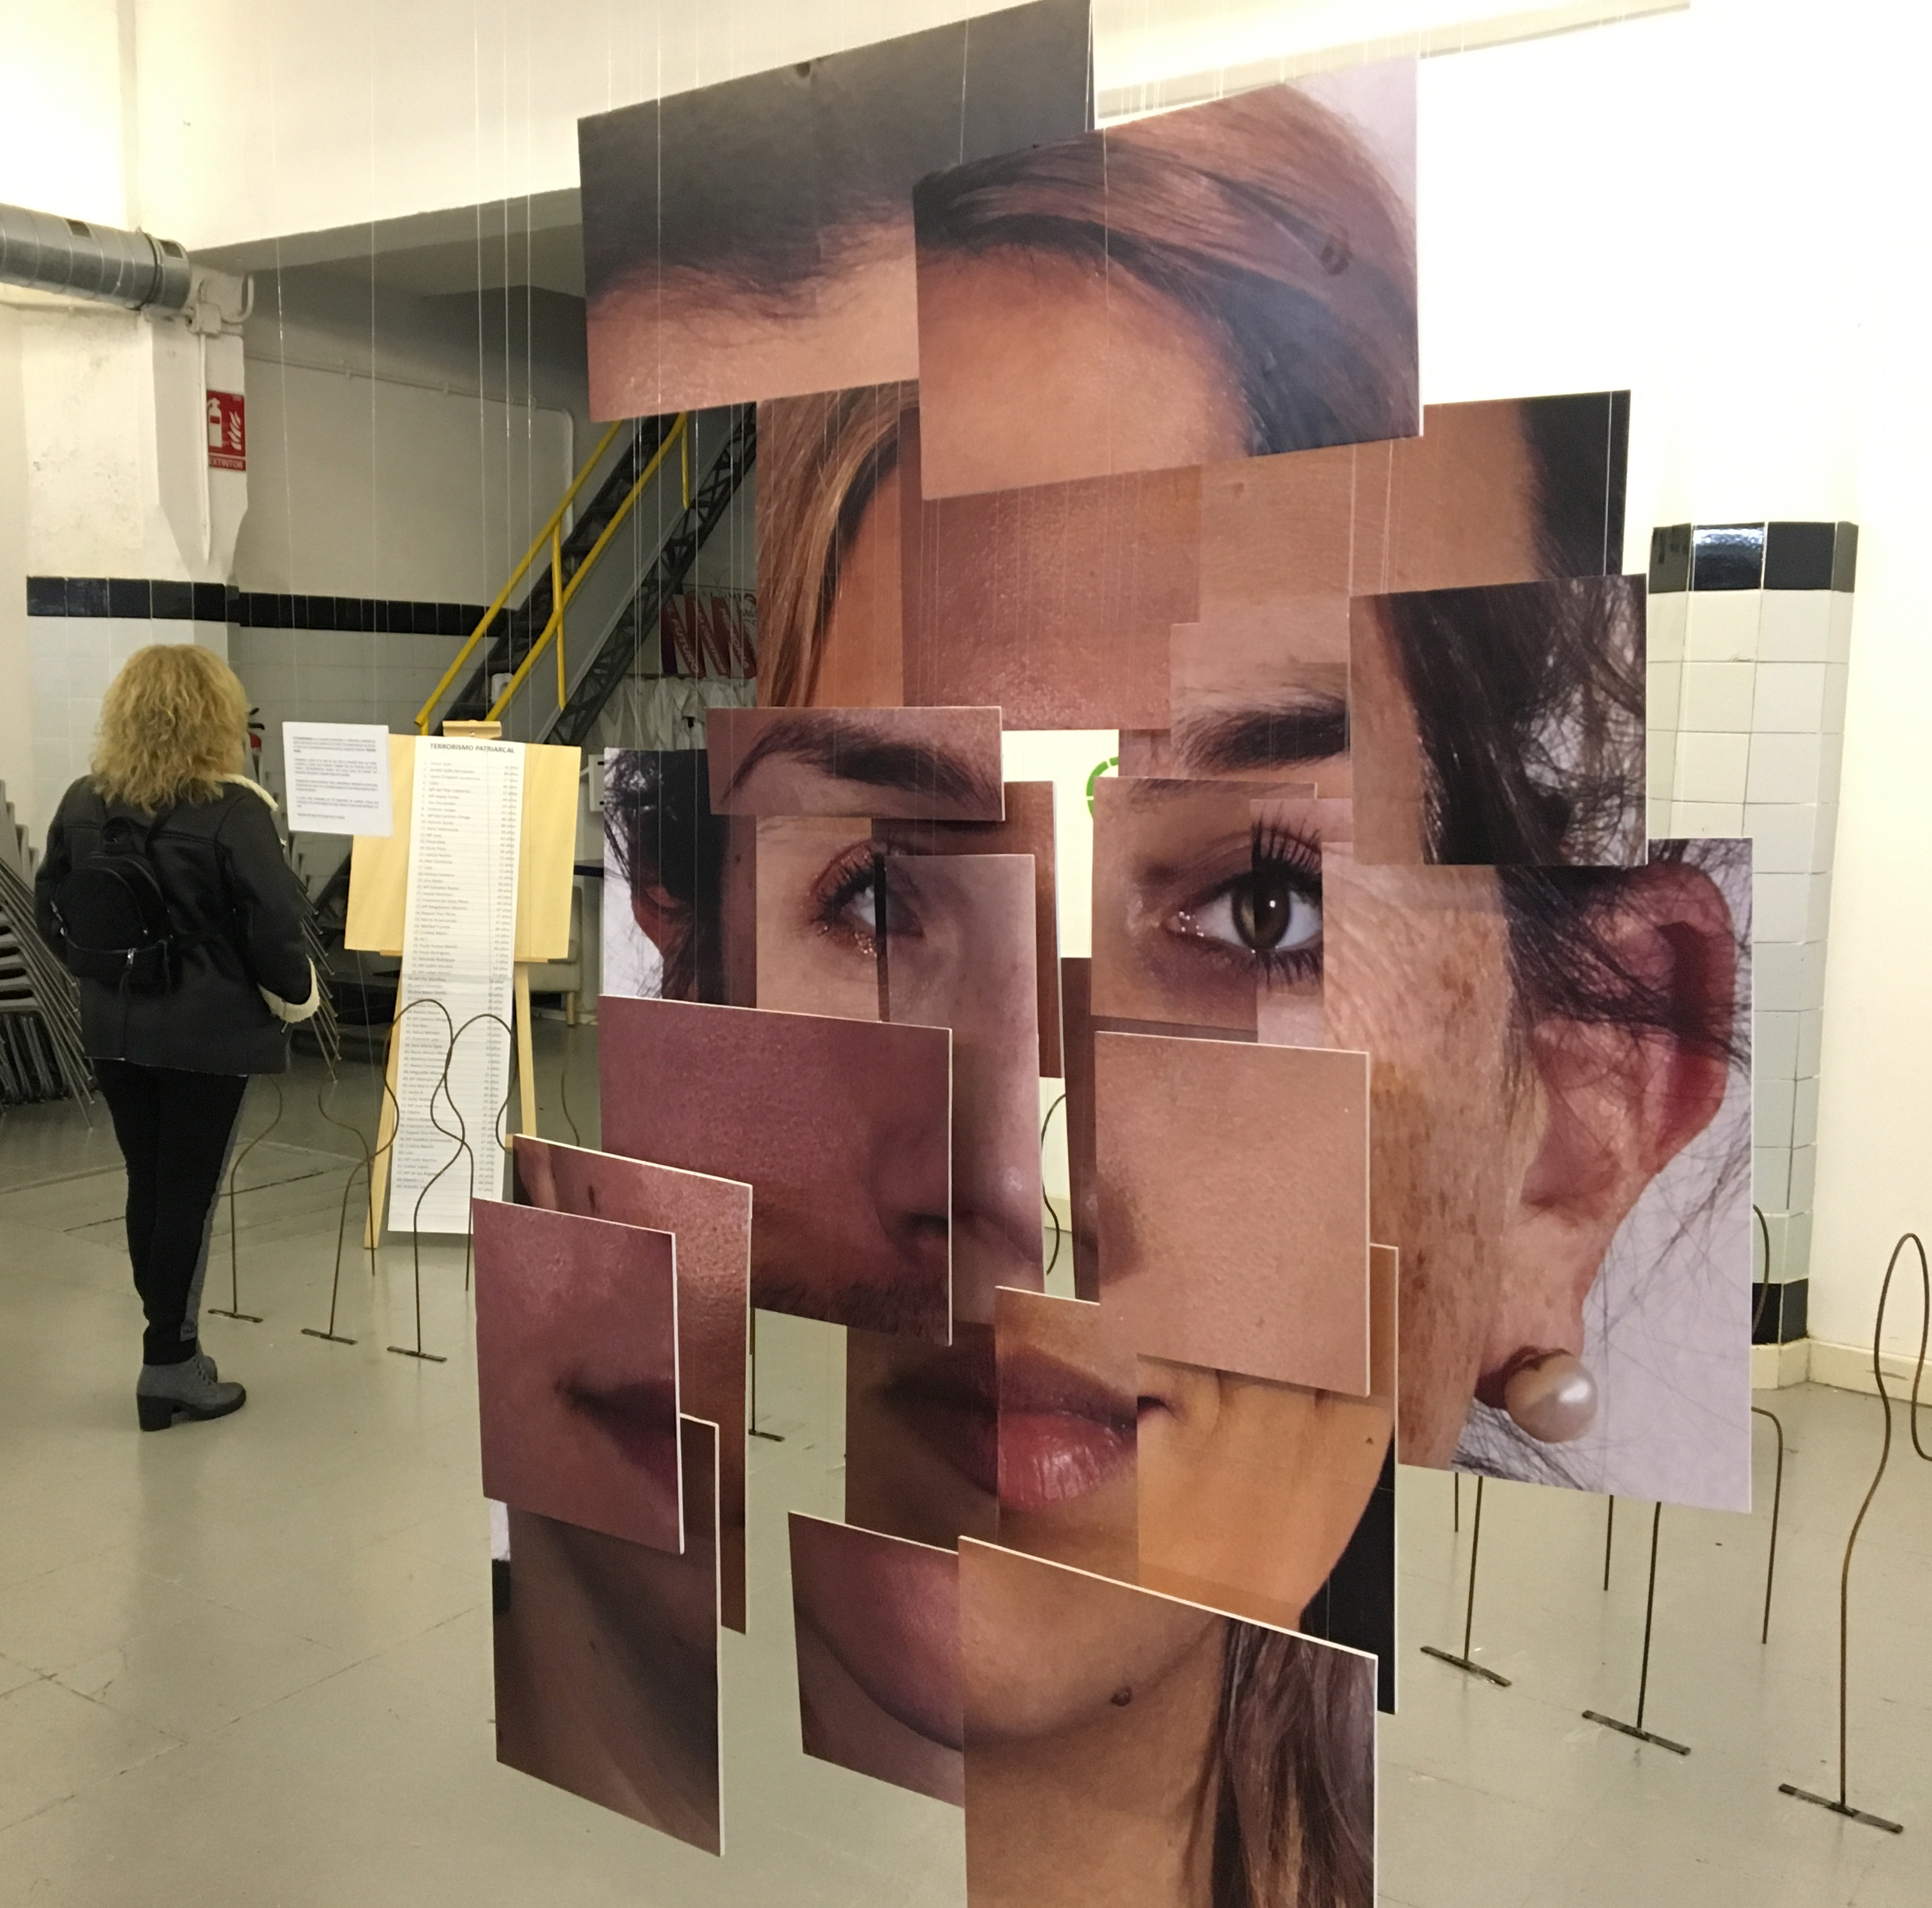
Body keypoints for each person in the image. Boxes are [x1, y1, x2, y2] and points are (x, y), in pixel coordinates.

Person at [34, 644, 319, 1430]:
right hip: (207, 1034)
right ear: (214, 716)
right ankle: (169, 1362)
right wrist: (296, 999)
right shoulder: (234, 810)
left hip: (113, 1027)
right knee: (189, 1192)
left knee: (149, 1182)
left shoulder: (83, 801)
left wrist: (99, 974)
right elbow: (274, 922)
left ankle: (169, 1342)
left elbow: (51, 904)